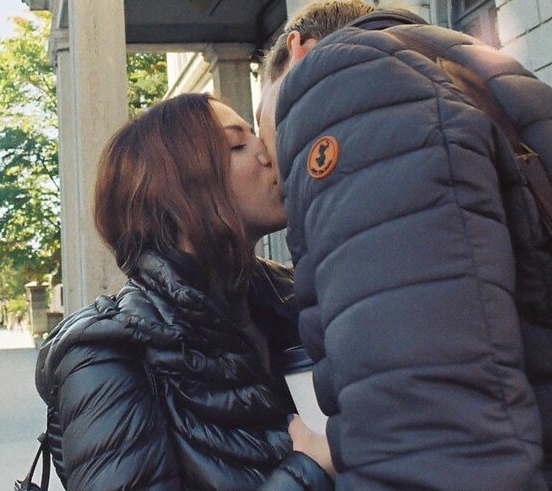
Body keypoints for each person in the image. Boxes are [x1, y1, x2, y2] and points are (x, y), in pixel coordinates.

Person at [257, 0, 552, 488]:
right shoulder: (462, 67)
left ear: (298, 49)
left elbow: (433, 434)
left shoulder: (344, 85)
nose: (268, 160)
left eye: (258, 126)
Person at [35, 93, 333, 491]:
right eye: (238, 144)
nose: (267, 153)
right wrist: (308, 473)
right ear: (176, 191)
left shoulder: (294, 302)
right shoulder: (109, 353)